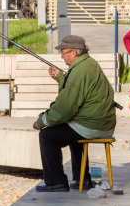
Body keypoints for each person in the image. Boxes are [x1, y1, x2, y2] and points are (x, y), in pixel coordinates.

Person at [33, 35, 116, 193]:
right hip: (103, 123)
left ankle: (55, 182)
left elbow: (64, 108)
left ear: (73, 53)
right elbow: (77, 91)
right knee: (74, 133)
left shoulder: (78, 71)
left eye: (63, 52)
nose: (62, 56)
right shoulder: (89, 63)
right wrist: (61, 79)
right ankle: (82, 180)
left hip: (92, 125)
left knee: (47, 136)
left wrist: (42, 121)